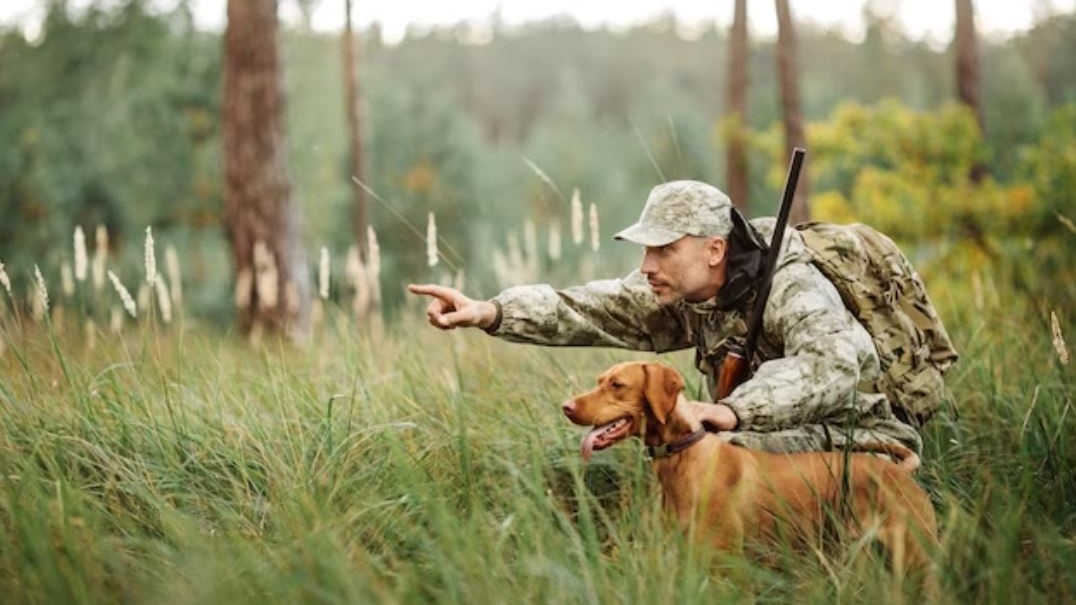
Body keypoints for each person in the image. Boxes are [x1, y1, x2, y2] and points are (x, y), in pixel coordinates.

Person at [408, 181, 922, 455]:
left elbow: (832, 365)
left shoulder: (791, 284)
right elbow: (586, 308)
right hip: (768, 437)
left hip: (861, 436)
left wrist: (732, 412)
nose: (647, 267)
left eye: (665, 250)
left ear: (715, 249)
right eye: (646, 250)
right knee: (701, 451)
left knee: (720, 450)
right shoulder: (679, 290)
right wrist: (489, 311)